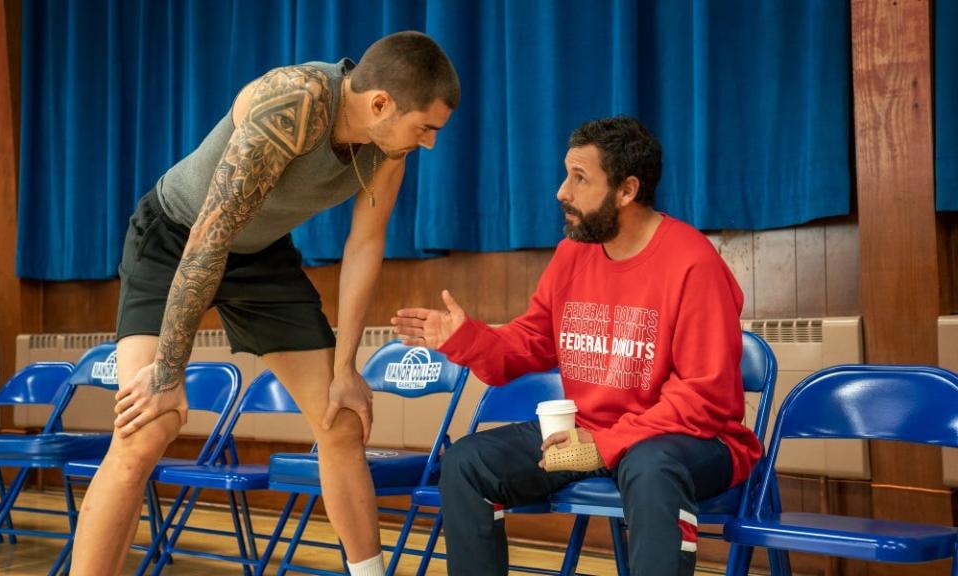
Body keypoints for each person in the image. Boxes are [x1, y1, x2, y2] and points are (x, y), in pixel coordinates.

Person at [71, 31, 459, 576]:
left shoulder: (387, 145)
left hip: (260, 252)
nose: (429, 143)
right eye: (426, 128)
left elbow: (365, 245)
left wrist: (346, 368)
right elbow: (210, 234)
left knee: (341, 416)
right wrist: (168, 372)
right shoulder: (294, 101)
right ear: (380, 103)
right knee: (148, 427)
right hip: (175, 238)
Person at [392, 116, 762, 576]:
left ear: (626, 190)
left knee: (652, 467)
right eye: (567, 174)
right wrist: (465, 339)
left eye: (579, 178)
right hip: (591, 433)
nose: (561, 192)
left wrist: (604, 445)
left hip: (695, 441)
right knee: (468, 462)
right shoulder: (574, 253)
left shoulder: (693, 263)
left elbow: (702, 398)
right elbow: (530, 342)